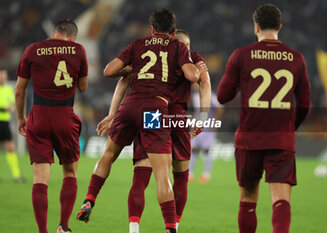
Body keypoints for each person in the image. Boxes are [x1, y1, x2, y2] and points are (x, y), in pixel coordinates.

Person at [76, 9, 199, 233]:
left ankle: (89, 199)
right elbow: (192, 76)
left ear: (152, 29)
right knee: (162, 174)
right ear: (173, 31)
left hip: (129, 106)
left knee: (108, 154)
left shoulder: (139, 44)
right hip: (153, 109)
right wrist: (190, 66)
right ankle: (171, 228)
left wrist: (129, 69)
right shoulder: (177, 46)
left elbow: (108, 71)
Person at [98, 29, 210, 233]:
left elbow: (124, 80)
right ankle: (173, 227)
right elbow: (205, 84)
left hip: (153, 115)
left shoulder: (157, 53)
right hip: (177, 119)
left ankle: (134, 228)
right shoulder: (193, 59)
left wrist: (113, 112)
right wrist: (203, 116)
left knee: (141, 175)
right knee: (181, 176)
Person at [217, 4, 310, 233]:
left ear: (255, 26)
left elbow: (222, 96)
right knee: (281, 200)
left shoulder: (241, 55)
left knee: (248, 199)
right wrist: (289, 127)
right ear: (280, 26)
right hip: (281, 141)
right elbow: (305, 105)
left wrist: (241, 81)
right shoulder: (296, 58)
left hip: (249, 140)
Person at [15, 19, 88, 233]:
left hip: (38, 116)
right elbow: (82, 87)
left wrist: (21, 118)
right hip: (64, 116)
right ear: (72, 37)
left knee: (40, 179)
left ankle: (42, 231)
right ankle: (63, 226)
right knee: (70, 173)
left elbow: (19, 91)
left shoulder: (33, 50)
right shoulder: (78, 49)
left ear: (54, 32)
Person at [189, 89, 223, 183]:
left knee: (206, 150)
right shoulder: (194, 96)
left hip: (208, 128)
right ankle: (190, 174)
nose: (195, 86)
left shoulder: (211, 95)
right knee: (193, 149)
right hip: (196, 127)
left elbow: (220, 107)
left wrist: (215, 122)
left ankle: (206, 174)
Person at [0, 70, 25, 182]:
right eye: (1, 75)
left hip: (5, 123)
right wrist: (3, 108)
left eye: (4, 76)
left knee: (10, 148)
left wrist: (10, 108)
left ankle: (16, 175)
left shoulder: (8, 89)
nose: (3, 78)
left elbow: (12, 105)